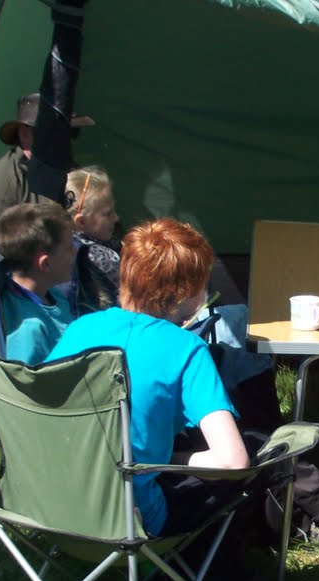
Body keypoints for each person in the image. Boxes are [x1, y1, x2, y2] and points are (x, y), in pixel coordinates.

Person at [45, 218, 248, 536]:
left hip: (49, 507)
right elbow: (232, 461)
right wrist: (170, 459)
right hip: (130, 521)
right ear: (186, 293)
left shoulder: (80, 328)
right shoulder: (187, 348)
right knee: (247, 468)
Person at [0, 92, 94, 248]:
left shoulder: (73, 172)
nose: (67, 141)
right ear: (25, 134)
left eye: (71, 133)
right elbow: (7, 257)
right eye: (56, 132)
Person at [0, 202, 78, 365]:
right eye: (69, 248)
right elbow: (24, 379)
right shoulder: (28, 330)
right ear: (45, 263)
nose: (75, 251)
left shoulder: (52, 295)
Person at [62, 166, 120, 313]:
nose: (116, 218)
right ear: (81, 222)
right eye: (107, 214)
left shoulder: (59, 243)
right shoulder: (103, 257)